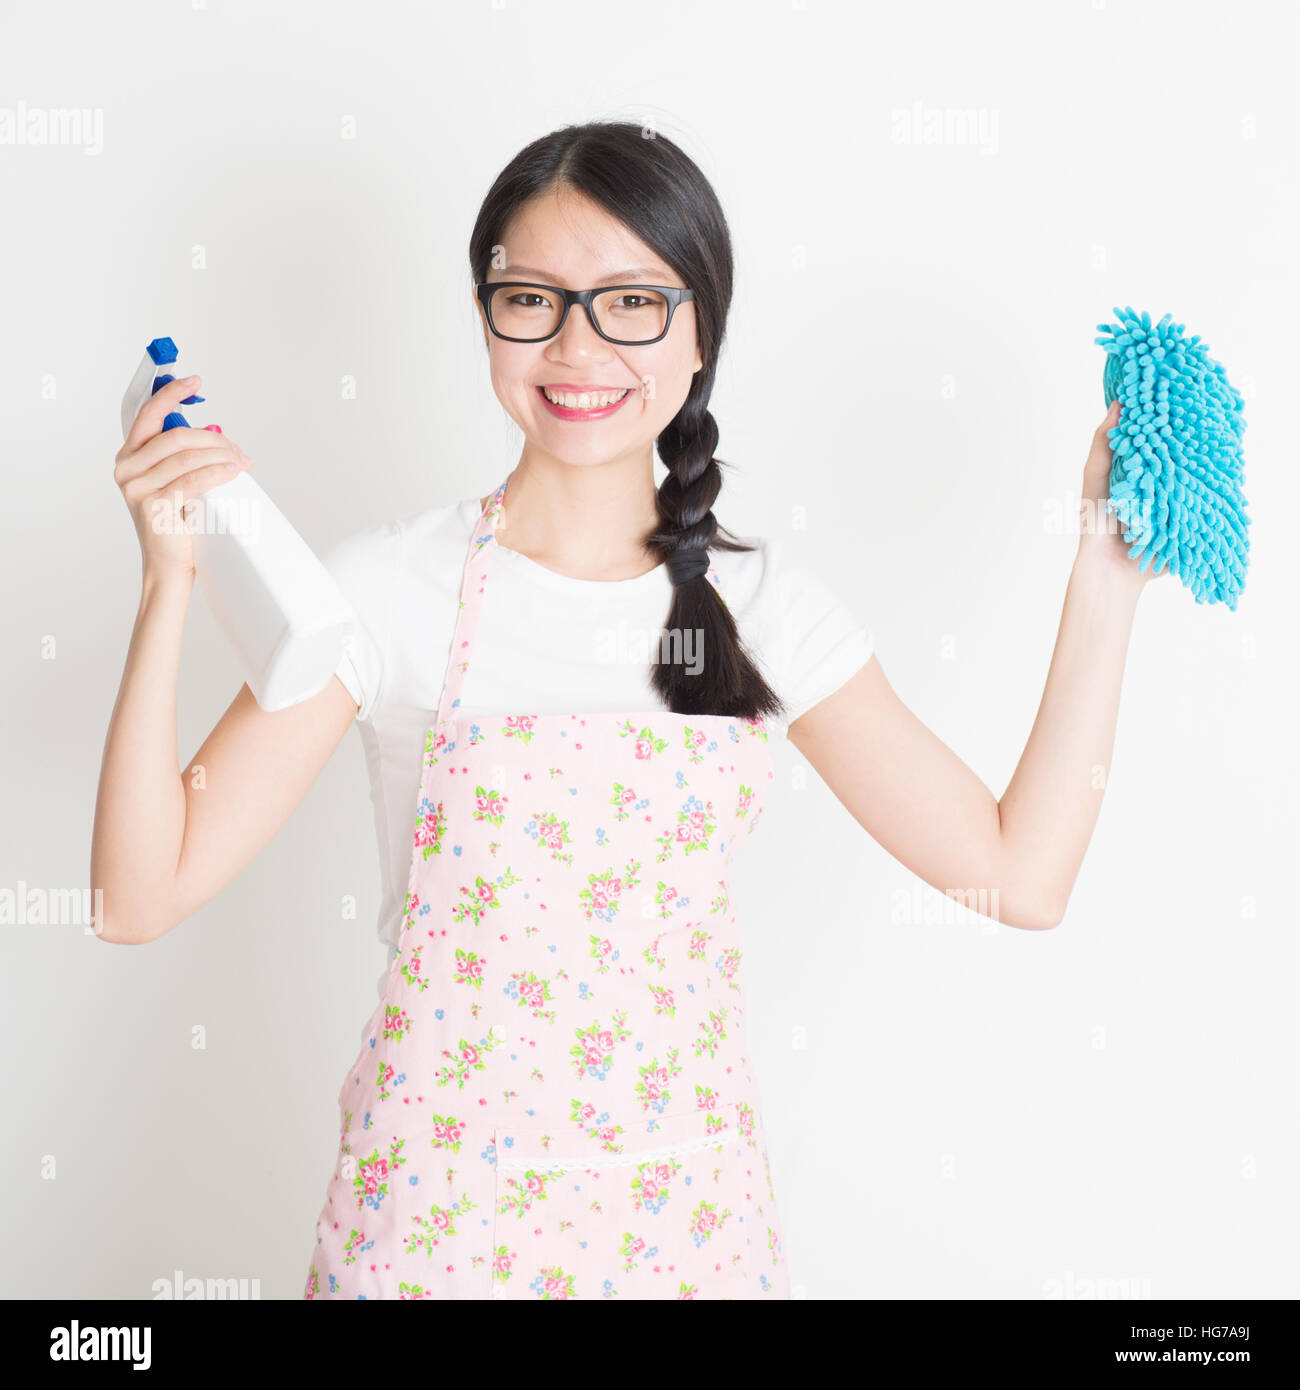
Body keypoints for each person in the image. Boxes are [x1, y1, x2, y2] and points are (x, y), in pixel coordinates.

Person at [91, 120, 1157, 1302]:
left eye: (631, 303)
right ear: (486, 315)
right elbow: (139, 895)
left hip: (683, 1239)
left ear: (700, 330)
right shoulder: (386, 591)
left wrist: (1102, 578)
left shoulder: (763, 609)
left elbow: (1020, 873)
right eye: (532, 298)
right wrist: (170, 579)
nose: (577, 344)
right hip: (427, 1241)